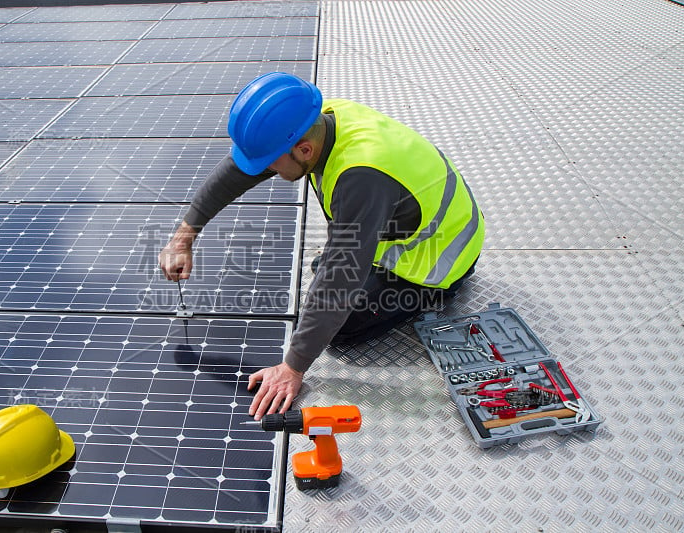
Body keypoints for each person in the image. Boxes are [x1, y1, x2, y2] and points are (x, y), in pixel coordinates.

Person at [159, 72, 485, 420]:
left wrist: (292, 367)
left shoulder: (360, 175)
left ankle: (436, 293)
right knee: (326, 291)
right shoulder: (320, 119)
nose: (264, 170)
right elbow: (239, 171)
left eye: (269, 163)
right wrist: (184, 237)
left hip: (438, 258)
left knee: (339, 327)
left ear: (303, 150)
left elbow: (339, 281)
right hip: (409, 222)